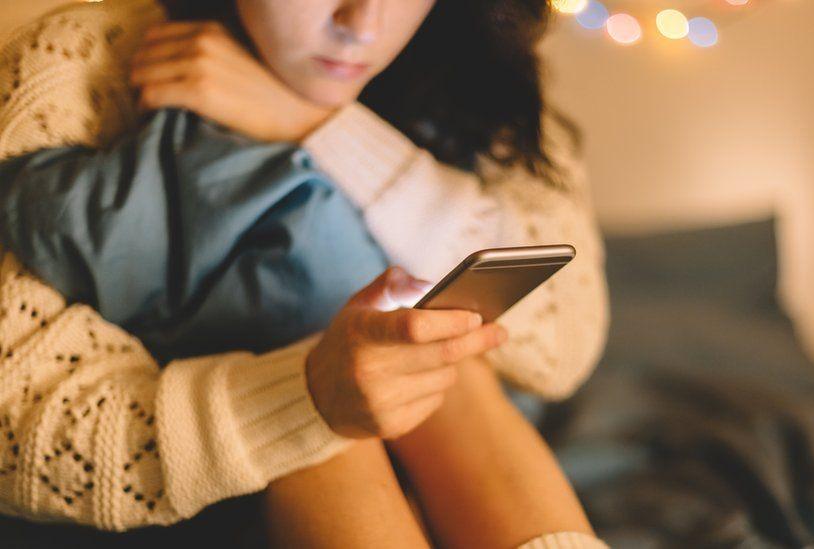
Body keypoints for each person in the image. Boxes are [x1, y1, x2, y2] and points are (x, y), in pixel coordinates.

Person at [0, 0, 610, 547]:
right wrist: (306, 396)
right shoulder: (83, 61)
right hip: (210, 467)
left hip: (452, 448)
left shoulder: (488, 67)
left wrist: (314, 123)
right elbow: (17, 422)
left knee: (436, 349)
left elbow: (564, 346)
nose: (361, 24)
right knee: (345, 393)